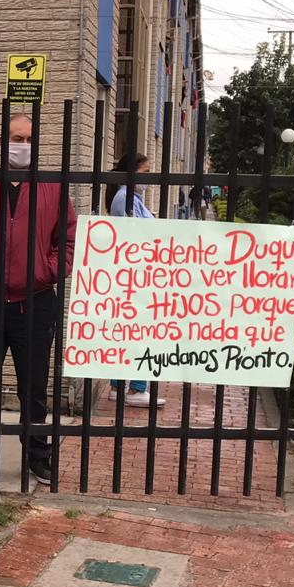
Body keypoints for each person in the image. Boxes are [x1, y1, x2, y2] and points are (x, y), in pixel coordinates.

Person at [0, 113, 76, 486]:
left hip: (36, 301)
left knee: (34, 388)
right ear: (2, 142)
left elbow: (68, 239)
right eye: (15, 138)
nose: (21, 145)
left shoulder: (53, 188)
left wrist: (46, 270)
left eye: (27, 139)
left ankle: (38, 457)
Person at [106, 153, 167, 408]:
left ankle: (119, 386)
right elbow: (135, 235)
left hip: (138, 275)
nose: (148, 178)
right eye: (145, 172)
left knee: (131, 331)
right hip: (135, 276)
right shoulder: (125, 199)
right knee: (142, 332)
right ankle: (136, 389)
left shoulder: (132, 198)